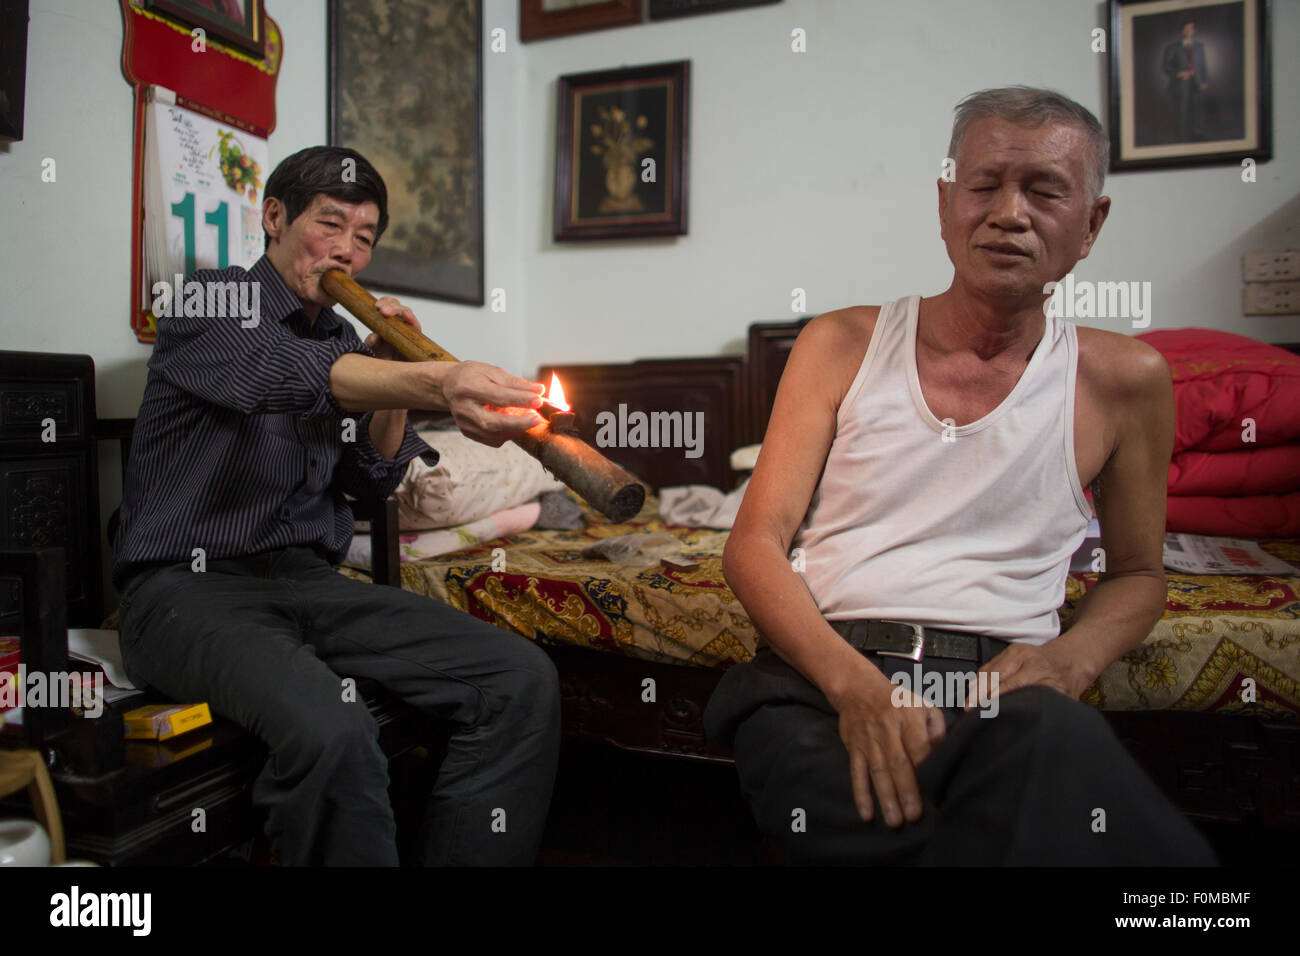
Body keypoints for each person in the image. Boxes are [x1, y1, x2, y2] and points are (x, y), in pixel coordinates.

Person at [704, 87, 1216, 865]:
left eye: (1045, 190)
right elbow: (754, 544)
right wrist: (857, 690)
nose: (1009, 212)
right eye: (984, 185)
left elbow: (1140, 572)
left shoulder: (1126, 379)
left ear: (1093, 225)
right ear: (946, 203)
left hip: (1004, 700)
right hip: (820, 683)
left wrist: (1067, 664)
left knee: (1064, 771)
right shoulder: (841, 342)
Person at [112, 145, 561, 866]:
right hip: (182, 589)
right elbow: (275, 376)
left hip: (306, 582)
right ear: (274, 216)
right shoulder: (206, 300)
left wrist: (393, 361)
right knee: (333, 729)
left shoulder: (347, 342)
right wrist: (434, 379)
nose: (347, 250)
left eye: (364, 236)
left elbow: (373, 479)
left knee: (518, 679)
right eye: (331, 224)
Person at [1163, 19, 1209, 141]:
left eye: (1192, 29)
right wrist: (1179, 73)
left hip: (1197, 83)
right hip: (1181, 84)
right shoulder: (1172, 47)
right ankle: (1182, 136)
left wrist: (1204, 81)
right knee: (1182, 110)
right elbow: (1166, 66)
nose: (1190, 31)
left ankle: (1198, 133)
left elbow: (1203, 65)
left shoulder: (1199, 46)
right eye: (1187, 29)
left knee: (1197, 109)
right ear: (1181, 31)